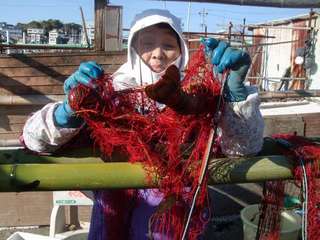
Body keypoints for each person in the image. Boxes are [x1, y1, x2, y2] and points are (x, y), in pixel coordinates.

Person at [22, 9, 264, 240]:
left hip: (177, 225)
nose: (158, 53)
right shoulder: (109, 98)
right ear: (132, 50)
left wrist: (236, 97)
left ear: (182, 52)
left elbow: (243, 149)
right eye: (147, 44)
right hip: (112, 224)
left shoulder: (198, 99)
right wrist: (68, 112)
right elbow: (34, 140)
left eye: (168, 45)